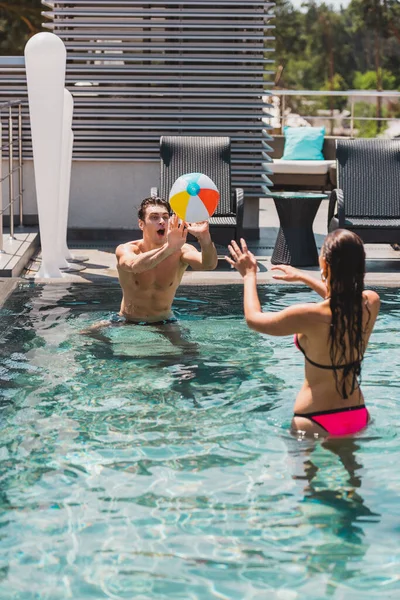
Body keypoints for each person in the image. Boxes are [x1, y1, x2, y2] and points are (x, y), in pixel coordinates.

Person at [226, 229, 380, 438]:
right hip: (357, 414)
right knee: (354, 470)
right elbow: (341, 301)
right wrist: (303, 277)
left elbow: (254, 320)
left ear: (324, 263)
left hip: (313, 419)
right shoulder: (370, 303)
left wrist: (249, 275)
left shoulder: (308, 315)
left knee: (300, 471)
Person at [116, 196, 218, 323]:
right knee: (88, 336)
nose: (162, 221)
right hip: (127, 320)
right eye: (154, 217)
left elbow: (209, 265)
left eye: (165, 217)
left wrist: (205, 239)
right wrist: (168, 248)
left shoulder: (181, 251)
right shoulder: (127, 249)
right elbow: (134, 265)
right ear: (141, 224)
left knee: (188, 344)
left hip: (164, 322)